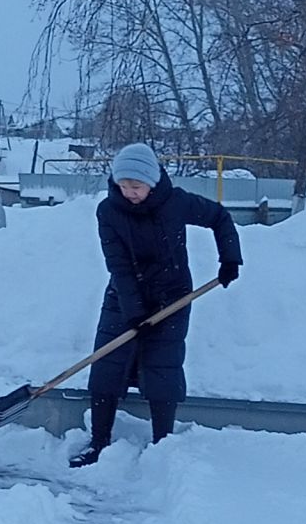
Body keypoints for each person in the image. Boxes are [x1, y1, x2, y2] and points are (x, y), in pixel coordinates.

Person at [74, 142, 241, 467]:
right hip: (123, 296)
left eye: (135, 186)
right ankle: (98, 443)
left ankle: (162, 447)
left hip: (173, 296)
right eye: (123, 186)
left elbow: (219, 217)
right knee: (106, 365)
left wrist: (230, 259)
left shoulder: (175, 203)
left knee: (163, 370)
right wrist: (133, 310)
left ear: (151, 181)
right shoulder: (109, 211)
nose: (129, 193)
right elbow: (118, 265)